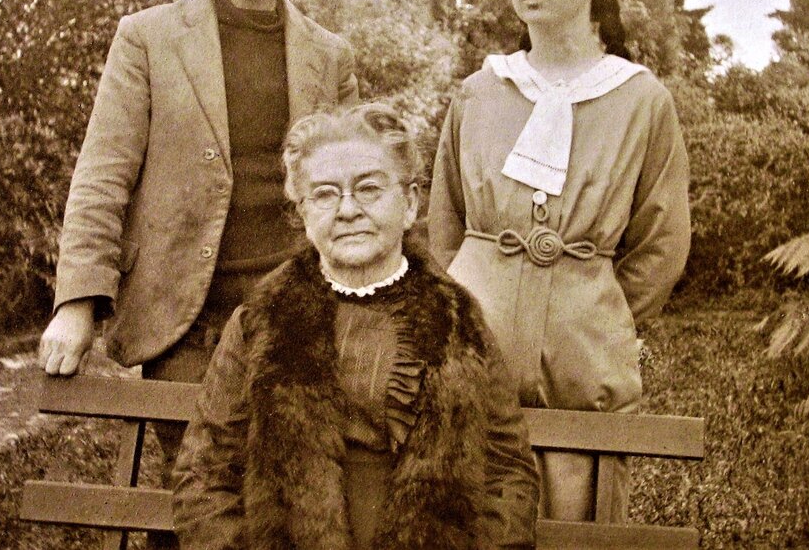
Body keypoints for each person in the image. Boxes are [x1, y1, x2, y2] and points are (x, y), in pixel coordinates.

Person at [36, 0, 358, 546]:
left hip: (294, 317)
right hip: (186, 321)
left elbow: (354, 189)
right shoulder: (148, 38)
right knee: (199, 495)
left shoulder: (330, 56)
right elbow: (102, 174)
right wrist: (76, 304)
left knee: (288, 501)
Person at [428, 0, 691, 522]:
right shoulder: (479, 92)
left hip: (583, 366)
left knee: (577, 526)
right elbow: (445, 225)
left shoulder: (640, 99)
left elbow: (662, 241)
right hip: (474, 349)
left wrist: (594, 309)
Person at [172, 102, 539, 550]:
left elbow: (507, 477)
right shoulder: (261, 320)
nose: (347, 210)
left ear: (408, 204)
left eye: (368, 189)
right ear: (303, 213)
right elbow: (205, 475)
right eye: (325, 194)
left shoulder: (457, 323)